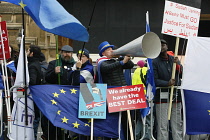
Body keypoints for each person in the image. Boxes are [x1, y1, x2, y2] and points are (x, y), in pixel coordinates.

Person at [96, 41, 134, 139]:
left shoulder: (115, 61)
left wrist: (123, 57)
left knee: (126, 119)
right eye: (108, 50)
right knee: (114, 120)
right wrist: (121, 62)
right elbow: (108, 68)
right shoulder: (102, 62)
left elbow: (130, 65)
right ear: (103, 53)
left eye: (111, 49)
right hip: (112, 95)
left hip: (122, 94)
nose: (111, 51)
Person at [44, 45, 81, 140]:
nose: (66, 54)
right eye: (65, 52)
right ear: (61, 53)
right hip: (56, 99)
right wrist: (54, 73)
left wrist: (77, 69)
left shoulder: (75, 65)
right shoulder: (54, 63)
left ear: (72, 54)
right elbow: (47, 78)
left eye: (68, 52)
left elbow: (76, 82)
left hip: (70, 100)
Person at [152, 39, 183, 140]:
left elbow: (183, 74)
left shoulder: (174, 60)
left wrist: (178, 63)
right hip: (161, 97)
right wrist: (167, 83)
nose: (161, 46)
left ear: (167, 46)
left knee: (177, 124)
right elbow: (154, 80)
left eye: (163, 44)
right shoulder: (154, 62)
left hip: (175, 96)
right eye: (159, 44)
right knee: (162, 125)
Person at [26, 45, 42, 140]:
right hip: (35, 96)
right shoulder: (36, 63)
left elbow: (32, 81)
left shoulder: (32, 66)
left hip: (33, 96)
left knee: (34, 119)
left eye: (28, 51)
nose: (27, 52)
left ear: (31, 53)